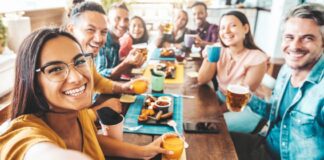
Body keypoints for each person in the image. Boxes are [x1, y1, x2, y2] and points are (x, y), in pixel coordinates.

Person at [0, 28, 173, 160]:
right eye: (56, 69)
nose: (76, 77)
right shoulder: (24, 135)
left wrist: (144, 151)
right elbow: (40, 153)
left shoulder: (78, 112)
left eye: (79, 61)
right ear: (32, 82)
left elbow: (94, 140)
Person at [231, 3, 324, 160]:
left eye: (307, 38)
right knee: (206, 140)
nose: (295, 46)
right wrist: (249, 98)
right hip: (264, 145)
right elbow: (275, 113)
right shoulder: (287, 70)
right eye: (289, 37)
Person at [65, 1, 148, 113]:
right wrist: (97, 111)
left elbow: (98, 81)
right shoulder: (62, 63)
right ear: (71, 29)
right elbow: (66, 119)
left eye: (104, 32)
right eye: (90, 30)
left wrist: (124, 87)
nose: (99, 39)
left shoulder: (86, 57)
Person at [198, 11, 268, 133]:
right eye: (222, 28)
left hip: (246, 107)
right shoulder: (219, 50)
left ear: (245, 28)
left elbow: (239, 99)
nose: (226, 31)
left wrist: (216, 112)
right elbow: (202, 79)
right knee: (197, 115)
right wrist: (210, 56)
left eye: (233, 26)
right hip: (222, 98)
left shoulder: (257, 58)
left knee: (213, 125)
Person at [96, 2, 146, 79]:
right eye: (117, 19)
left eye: (126, 20)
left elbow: (113, 68)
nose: (122, 24)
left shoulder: (116, 41)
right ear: (107, 21)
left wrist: (132, 63)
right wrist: (126, 63)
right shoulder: (101, 41)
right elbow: (100, 76)